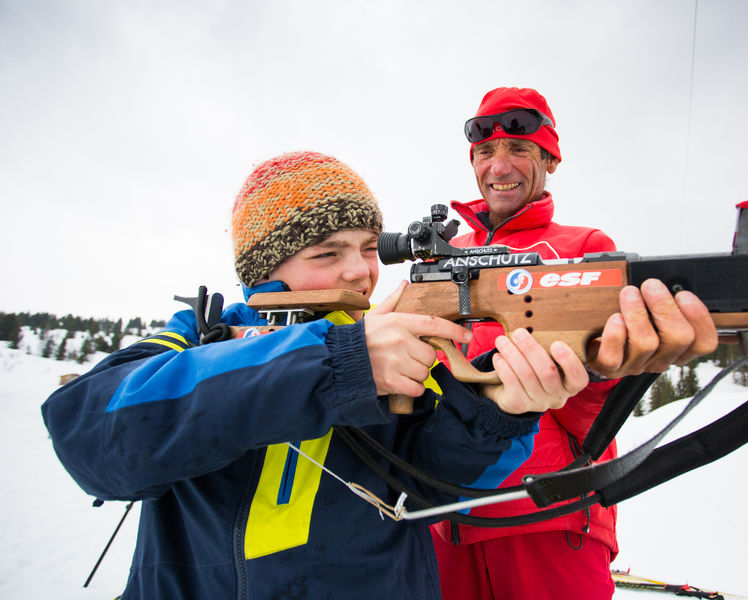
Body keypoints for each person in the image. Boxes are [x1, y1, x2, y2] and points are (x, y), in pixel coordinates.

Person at [41, 151, 592, 599]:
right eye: (327, 253)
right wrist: (338, 361)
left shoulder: (394, 342)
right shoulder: (199, 333)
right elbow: (88, 435)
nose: (359, 271)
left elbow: (435, 491)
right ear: (263, 268)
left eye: (371, 249)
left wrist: (502, 410)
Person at [430, 87, 719, 600]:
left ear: (549, 159)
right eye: (485, 152)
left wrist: (605, 372)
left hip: (548, 514)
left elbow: (592, 418)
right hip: (440, 520)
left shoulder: (583, 250)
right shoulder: (438, 261)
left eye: (519, 150)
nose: (500, 166)